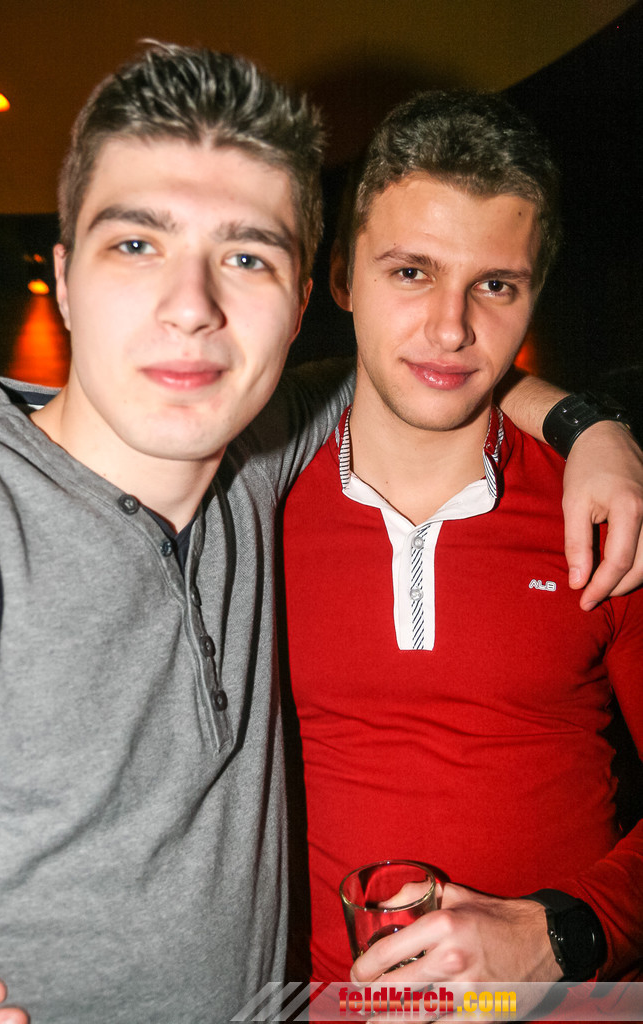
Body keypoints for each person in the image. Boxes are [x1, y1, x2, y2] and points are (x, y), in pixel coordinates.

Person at [0, 49, 642, 1024]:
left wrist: (591, 427)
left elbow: (429, 368)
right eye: (137, 244)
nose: (192, 308)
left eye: (247, 258)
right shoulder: (3, 509)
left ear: (295, 302)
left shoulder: (269, 457)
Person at [281, 90, 643, 1005]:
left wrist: (558, 935)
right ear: (342, 277)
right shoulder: (248, 500)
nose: (451, 328)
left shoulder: (607, 507)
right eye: (411, 271)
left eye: (496, 286)